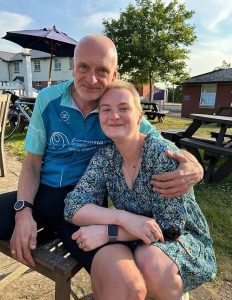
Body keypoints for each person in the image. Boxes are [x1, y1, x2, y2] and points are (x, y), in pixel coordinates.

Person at [0, 34, 203, 298]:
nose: (91, 79)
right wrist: (23, 212)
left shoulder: (113, 107)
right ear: (73, 66)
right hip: (41, 196)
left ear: (114, 74)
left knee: (127, 287)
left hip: (85, 206)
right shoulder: (48, 99)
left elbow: (156, 140)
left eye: (102, 71)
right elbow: (31, 164)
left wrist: (194, 166)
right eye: (83, 67)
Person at [64, 80, 217, 300]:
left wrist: (108, 232)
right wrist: (122, 217)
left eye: (123, 108)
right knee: (116, 273)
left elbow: (170, 229)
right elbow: (73, 206)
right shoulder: (106, 157)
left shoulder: (160, 155)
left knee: (149, 260)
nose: (114, 115)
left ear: (139, 116)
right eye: (106, 109)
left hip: (178, 239)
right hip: (134, 235)